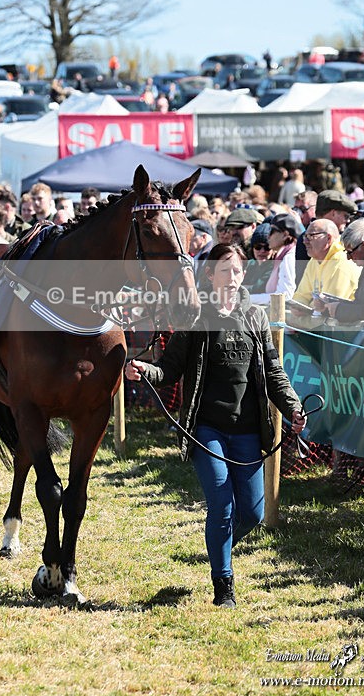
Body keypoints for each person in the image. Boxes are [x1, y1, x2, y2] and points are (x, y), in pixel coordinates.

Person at [124, 244, 306, 608]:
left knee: (252, 514)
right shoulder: (195, 317)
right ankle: (223, 585)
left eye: (237, 271)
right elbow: (170, 370)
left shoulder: (255, 317)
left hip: (249, 430)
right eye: (225, 271)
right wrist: (145, 370)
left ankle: (218, 545)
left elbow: (272, 372)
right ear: (209, 276)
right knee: (221, 505)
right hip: (206, 429)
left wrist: (294, 407)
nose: (233, 277)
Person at [291, 219, 360, 310]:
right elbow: (301, 296)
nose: (305, 241)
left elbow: (327, 305)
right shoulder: (314, 260)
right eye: (305, 236)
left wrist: (305, 308)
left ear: (328, 238)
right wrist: (298, 307)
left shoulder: (343, 262)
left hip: (341, 322)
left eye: (311, 236)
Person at [249, 213, 301, 306]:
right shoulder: (283, 255)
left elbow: (285, 296)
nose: (268, 236)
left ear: (285, 235)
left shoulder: (290, 256)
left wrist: (248, 298)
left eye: (272, 231)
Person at [242, 222, 274, 296]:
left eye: (267, 247)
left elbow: (258, 288)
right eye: (258, 247)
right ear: (252, 248)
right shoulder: (248, 264)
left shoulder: (274, 267)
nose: (262, 251)